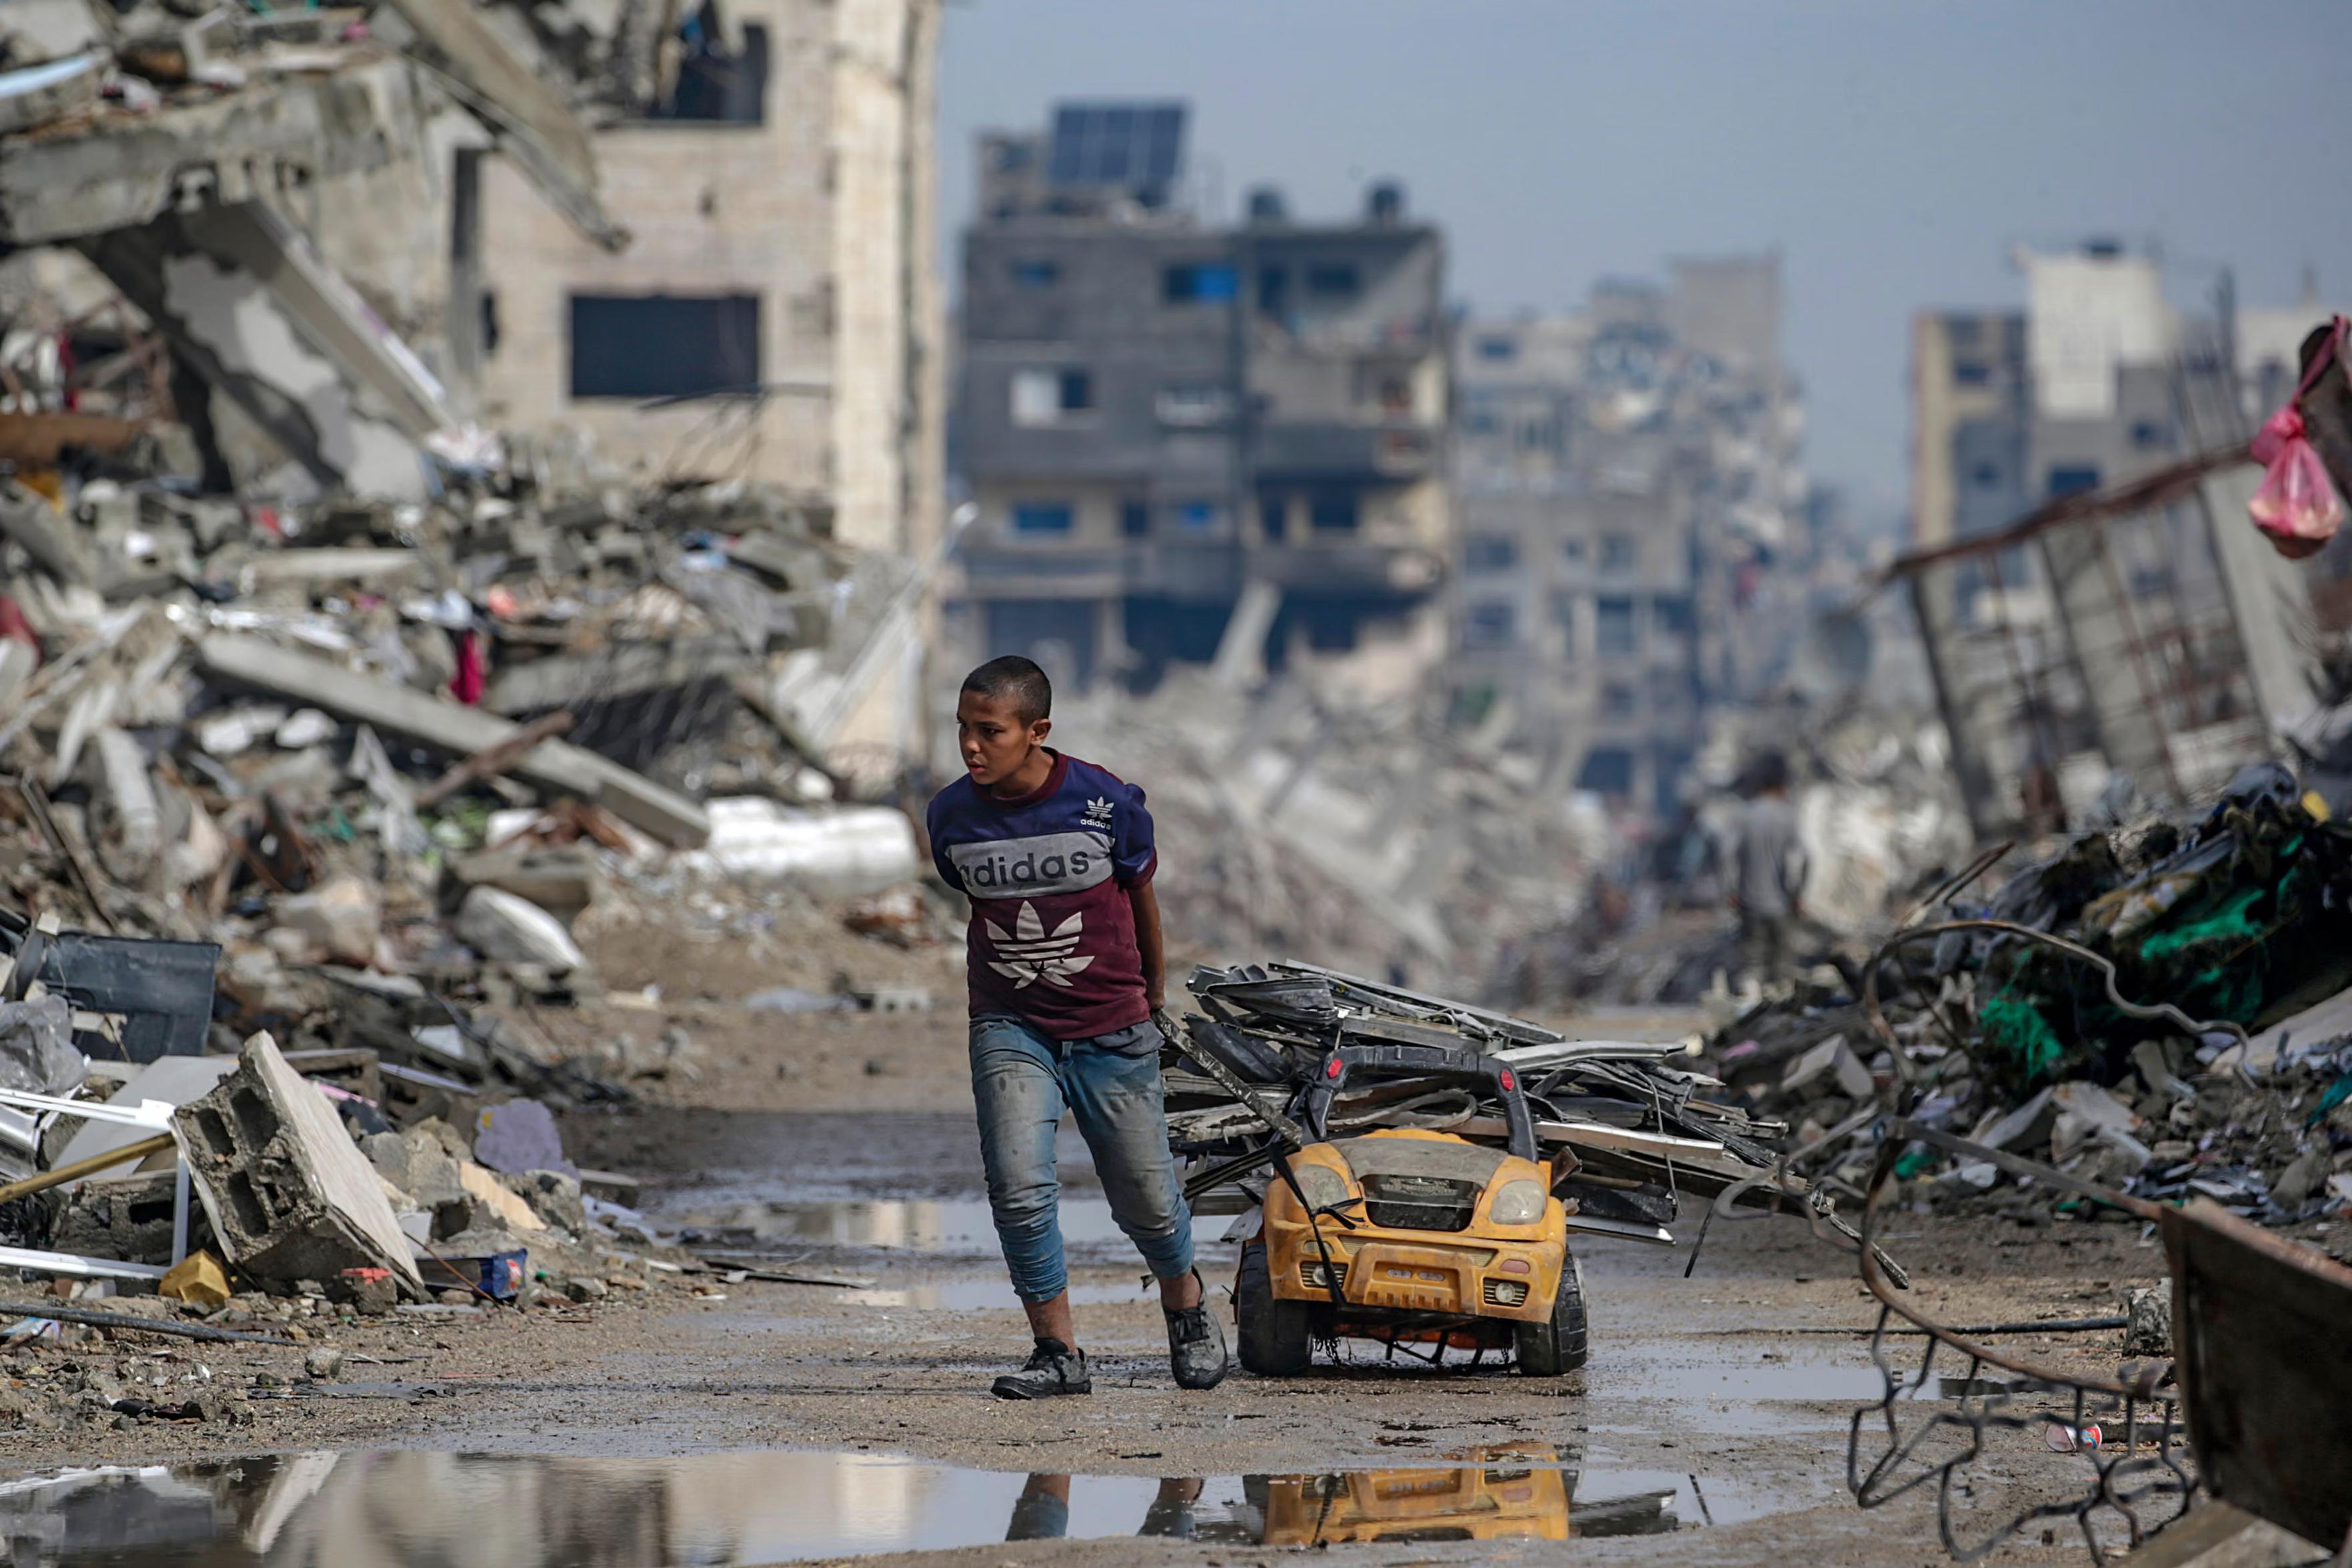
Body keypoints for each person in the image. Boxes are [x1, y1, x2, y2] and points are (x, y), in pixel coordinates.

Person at [926, 655, 1229, 1399]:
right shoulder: (950, 815)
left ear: (1037, 732)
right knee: (1018, 1188)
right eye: (962, 729)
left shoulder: (1103, 802)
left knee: (1146, 1198)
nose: (970, 746)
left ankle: (1186, 1306)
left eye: (988, 731)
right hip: (1009, 1023)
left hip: (1111, 1026)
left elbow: (1141, 901)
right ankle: (1057, 1353)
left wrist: (1150, 997)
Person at [1729, 749, 1808, 985]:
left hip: (1751, 903)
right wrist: (1797, 892)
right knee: (1784, 965)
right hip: (1782, 904)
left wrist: (1732, 889)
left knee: (1753, 963)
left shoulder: (1745, 815)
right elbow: (1804, 857)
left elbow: (1727, 854)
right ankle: (1780, 1014)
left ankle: (1752, 1012)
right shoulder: (1788, 816)